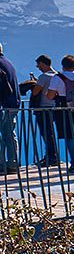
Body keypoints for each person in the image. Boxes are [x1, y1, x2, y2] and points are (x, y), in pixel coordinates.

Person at [23, 55, 61, 167]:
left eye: (38, 64)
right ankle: (53, 156)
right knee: (51, 133)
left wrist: (34, 83)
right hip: (55, 107)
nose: (38, 67)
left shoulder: (44, 77)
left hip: (43, 108)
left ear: (43, 64)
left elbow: (35, 92)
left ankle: (51, 157)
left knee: (46, 133)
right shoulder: (58, 75)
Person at [0, 43, 19, 175]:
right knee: (9, 134)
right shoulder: (8, 63)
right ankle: (12, 164)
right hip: (13, 104)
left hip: (2, 105)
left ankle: (1, 164)